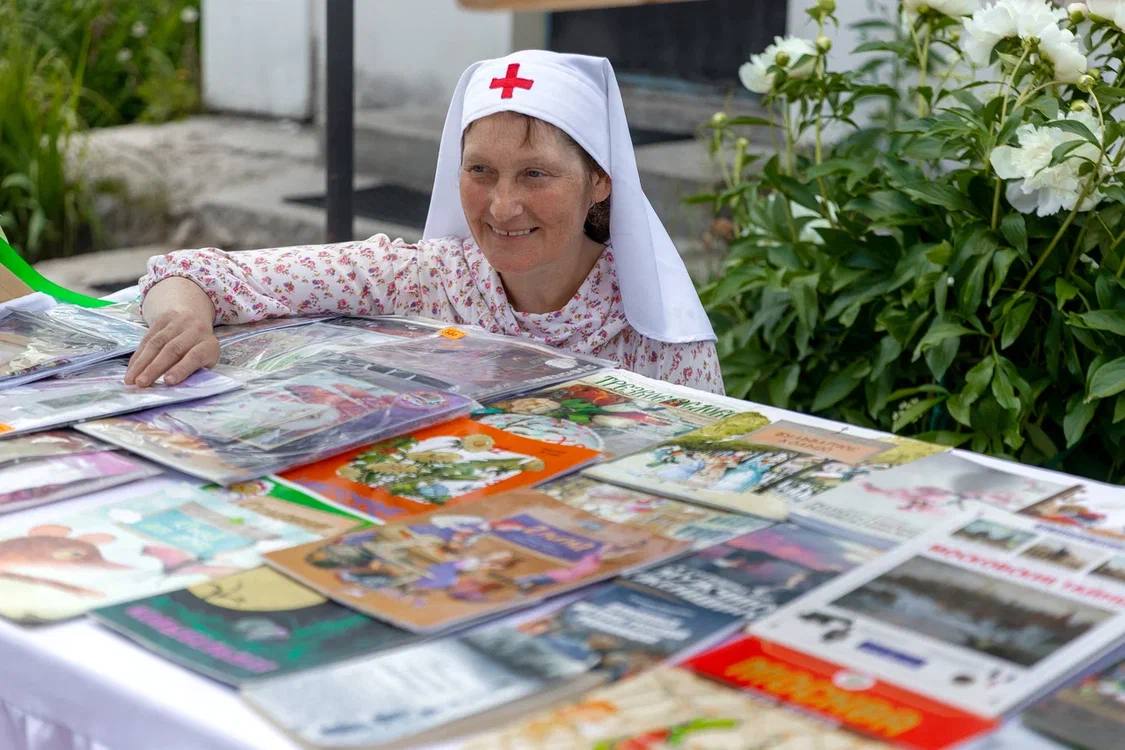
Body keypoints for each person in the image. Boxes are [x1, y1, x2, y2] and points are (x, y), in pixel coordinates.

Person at [125, 50, 723, 394]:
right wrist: (183, 320)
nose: (502, 206)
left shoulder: (659, 338)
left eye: (535, 174)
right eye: (480, 170)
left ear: (600, 180)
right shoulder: (426, 279)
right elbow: (190, 270)